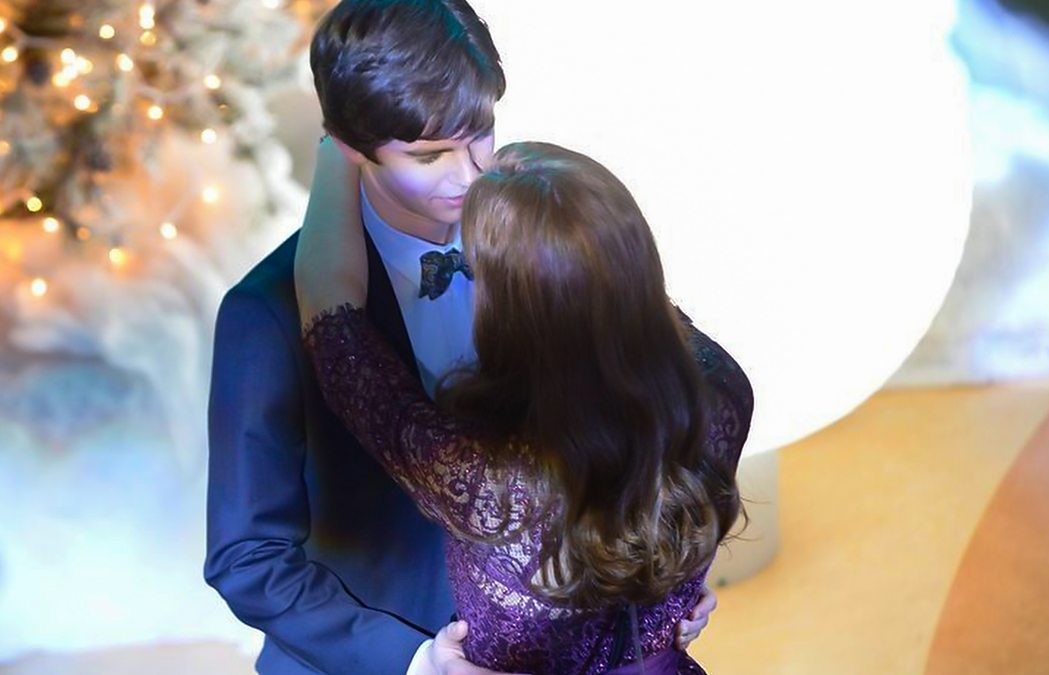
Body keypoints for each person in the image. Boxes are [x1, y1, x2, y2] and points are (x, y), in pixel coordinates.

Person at [205, 1, 716, 672]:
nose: (470, 175)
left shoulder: (546, 240)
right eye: (429, 155)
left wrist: (658, 583)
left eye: (479, 133)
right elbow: (247, 558)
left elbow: (624, 424)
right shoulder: (264, 313)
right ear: (352, 149)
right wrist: (416, 661)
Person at [293, 139, 754, 674]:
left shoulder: (480, 472)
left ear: (508, 305)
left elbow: (331, 315)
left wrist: (339, 139)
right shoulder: (724, 386)